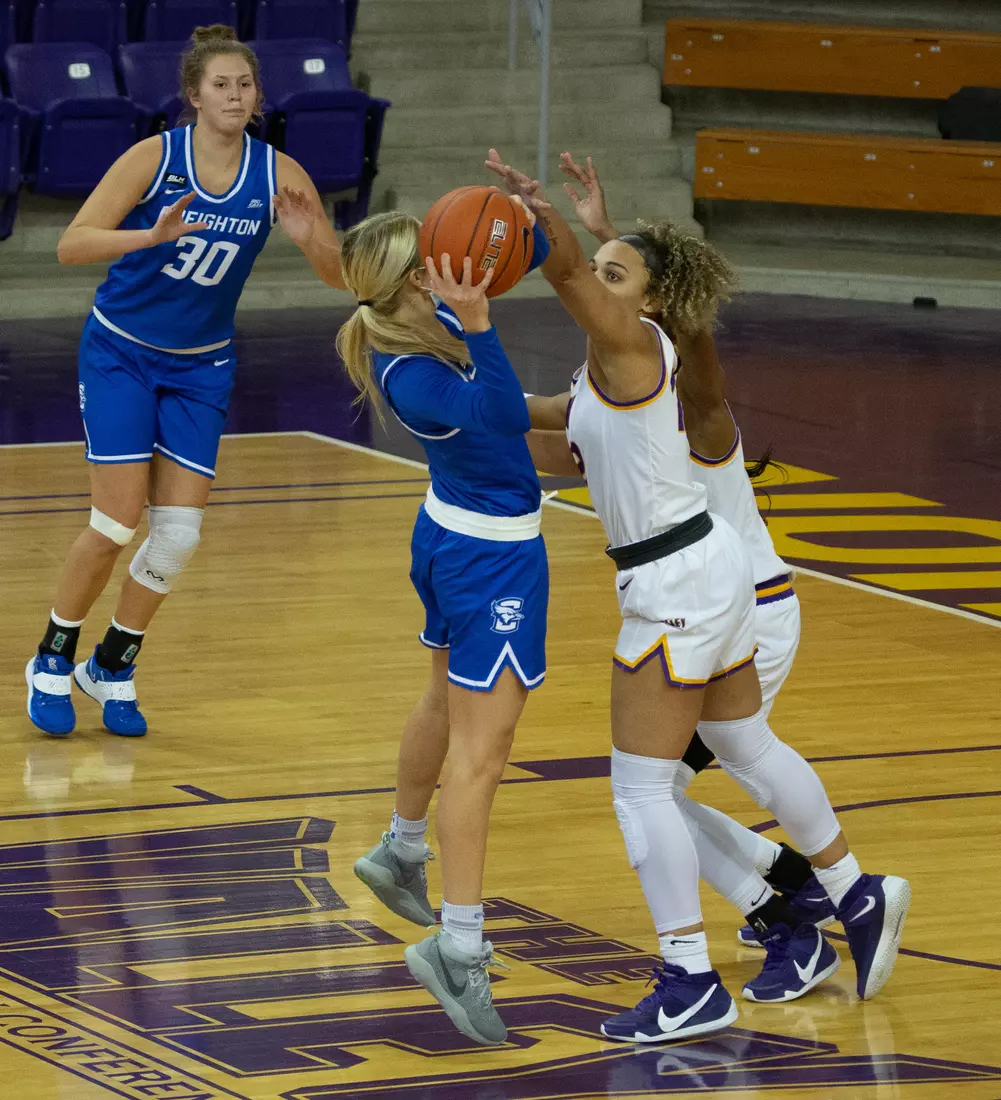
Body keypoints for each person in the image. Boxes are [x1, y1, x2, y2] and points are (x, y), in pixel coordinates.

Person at [487, 147, 910, 1041]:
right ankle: (840, 892)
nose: (603, 282)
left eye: (619, 275)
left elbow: (591, 290)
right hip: (709, 580)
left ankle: (727, 948)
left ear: (647, 304)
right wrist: (447, 371)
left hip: (721, 594)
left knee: (648, 791)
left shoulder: (673, 377)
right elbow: (547, 426)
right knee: (735, 748)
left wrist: (550, 235)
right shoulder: (605, 377)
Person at [24, 25, 343, 739]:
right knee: (114, 521)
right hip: (123, 352)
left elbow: (340, 274)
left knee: (177, 538)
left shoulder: (280, 172)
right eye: (220, 84)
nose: (233, 95)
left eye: (245, 84)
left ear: (258, 97)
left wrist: (310, 240)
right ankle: (50, 657)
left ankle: (111, 666)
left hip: (202, 363)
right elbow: (72, 244)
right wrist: (150, 237)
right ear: (193, 95)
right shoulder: (153, 157)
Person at [340, 204, 551, 1046]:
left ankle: (401, 845)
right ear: (415, 284)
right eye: (432, 257)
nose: (448, 260)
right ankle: (457, 945)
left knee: (441, 701)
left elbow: (511, 409)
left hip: (450, 537)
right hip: (488, 563)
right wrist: (484, 323)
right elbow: (497, 413)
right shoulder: (413, 370)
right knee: (483, 756)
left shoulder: (417, 339)